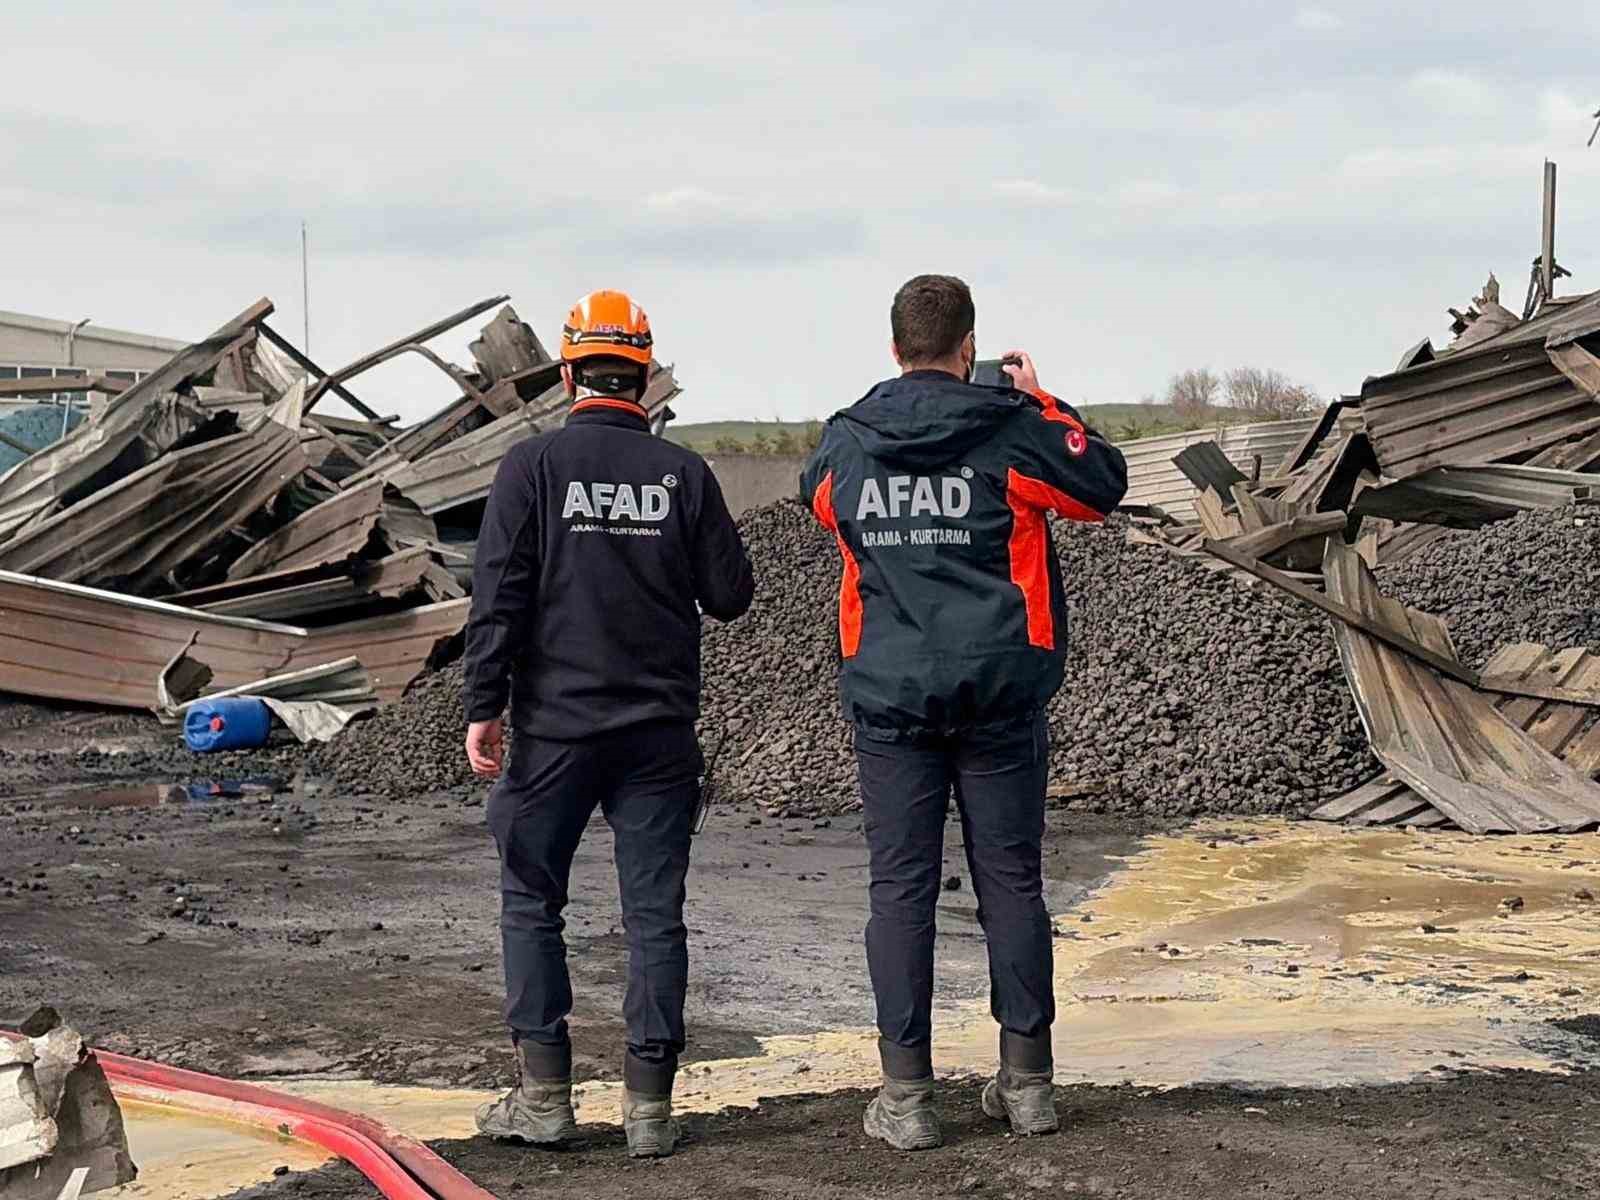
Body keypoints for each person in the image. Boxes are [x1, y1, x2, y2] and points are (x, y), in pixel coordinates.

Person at [799, 274, 1128, 1151]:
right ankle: (1028, 1089)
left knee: (899, 890)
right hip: (1001, 700)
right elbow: (1101, 485)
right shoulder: (1012, 432)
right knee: (1011, 882)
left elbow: (820, 503)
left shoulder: (846, 441)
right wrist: (1041, 400)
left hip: (891, 699)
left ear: (896, 345)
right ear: (969, 347)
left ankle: (906, 1100)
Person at [462, 289, 754, 1158]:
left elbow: (497, 599)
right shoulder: (684, 474)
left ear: (567, 369)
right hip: (658, 737)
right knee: (654, 914)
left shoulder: (533, 468)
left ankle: (546, 1099)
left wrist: (485, 707)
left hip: (553, 733)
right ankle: (650, 1115)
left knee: (530, 901)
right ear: (644, 373)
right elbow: (731, 596)